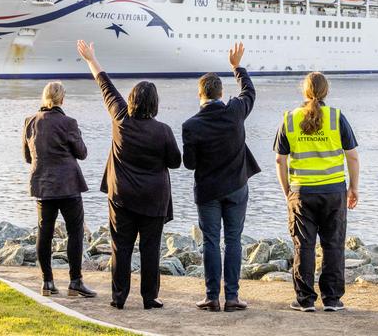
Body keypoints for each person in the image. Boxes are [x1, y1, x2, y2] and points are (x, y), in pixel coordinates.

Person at [77, 40, 181, 310]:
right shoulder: (163, 131)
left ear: (132, 100)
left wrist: (91, 59)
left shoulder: (120, 118)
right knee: (150, 249)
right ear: (155, 104)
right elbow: (175, 162)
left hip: (121, 196)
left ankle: (119, 297)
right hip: (153, 199)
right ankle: (149, 297)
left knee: (120, 247)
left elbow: (105, 86)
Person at [182, 42, 260, 313]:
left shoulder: (190, 125)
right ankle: (233, 297)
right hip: (237, 187)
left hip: (208, 191)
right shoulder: (235, 111)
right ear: (221, 93)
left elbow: (189, 164)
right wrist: (237, 67)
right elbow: (249, 92)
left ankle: (212, 297)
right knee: (234, 241)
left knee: (212, 242)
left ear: (200, 94)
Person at [274, 72, 360, 312]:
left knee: (304, 245)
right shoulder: (336, 117)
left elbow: (280, 160)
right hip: (333, 191)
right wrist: (354, 187)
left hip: (302, 192)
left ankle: (305, 300)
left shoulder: (289, 119)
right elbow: (352, 155)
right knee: (333, 244)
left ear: (304, 91)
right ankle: (332, 299)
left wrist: (287, 191)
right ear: (326, 91)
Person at [22, 82, 96, 298]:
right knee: (75, 232)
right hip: (68, 186)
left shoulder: (30, 122)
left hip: (43, 186)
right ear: (62, 99)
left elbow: (27, 157)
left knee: (44, 232)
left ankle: (47, 282)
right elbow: (82, 153)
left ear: (44, 98)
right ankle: (75, 281)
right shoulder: (68, 122)